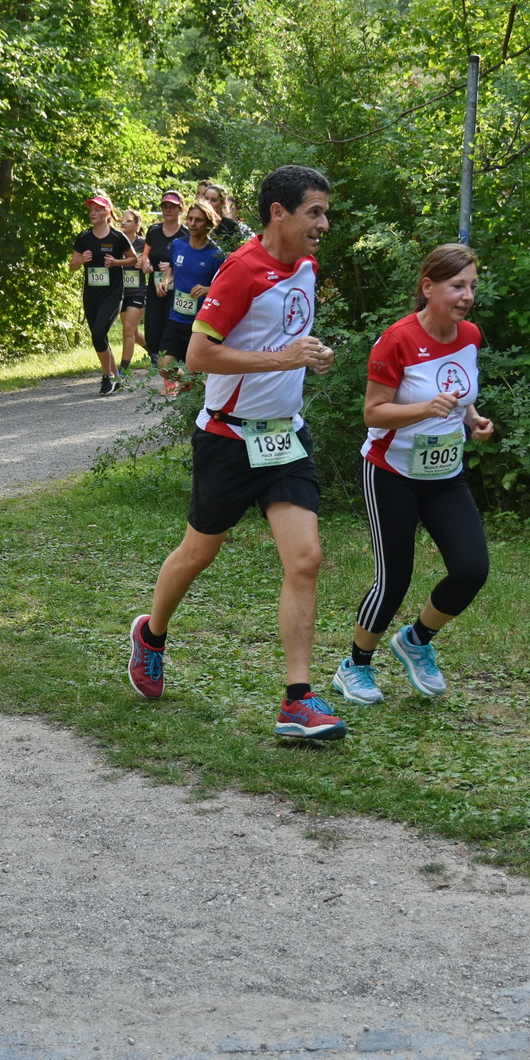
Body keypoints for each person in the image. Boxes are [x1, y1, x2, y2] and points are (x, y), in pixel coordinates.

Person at [126, 165, 345, 740]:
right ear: (280, 213)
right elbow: (198, 356)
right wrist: (286, 359)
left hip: (284, 436)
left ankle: (297, 700)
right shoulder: (243, 270)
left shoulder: (305, 265)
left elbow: (283, 340)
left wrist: (311, 355)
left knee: (306, 559)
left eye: (325, 212)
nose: (324, 223)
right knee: (200, 552)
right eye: (314, 212)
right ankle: (151, 634)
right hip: (228, 438)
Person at [331, 243, 495, 705]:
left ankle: (417, 640)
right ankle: (354, 667)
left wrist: (473, 420)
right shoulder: (397, 339)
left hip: (445, 475)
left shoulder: (470, 336)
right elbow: (373, 413)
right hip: (391, 472)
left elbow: (460, 394)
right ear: (428, 287)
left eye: (472, 287)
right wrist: (425, 409)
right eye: (456, 286)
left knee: (471, 570)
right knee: (395, 576)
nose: (466, 296)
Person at [68, 193, 136, 396]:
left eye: (98, 210)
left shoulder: (117, 237)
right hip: (91, 295)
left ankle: (106, 377)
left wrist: (116, 262)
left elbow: (133, 259)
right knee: (100, 338)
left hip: (113, 294)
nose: (93, 213)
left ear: (107, 212)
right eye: (91, 210)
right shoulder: (84, 237)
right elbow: (72, 266)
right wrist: (80, 260)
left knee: (98, 334)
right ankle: (115, 378)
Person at [157, 198, 224, 396]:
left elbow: (224, 289)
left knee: (194, 366)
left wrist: (207, 289)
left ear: (209, 223)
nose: (193, 224)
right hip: (176, 317)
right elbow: (173, 270)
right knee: (164, 367)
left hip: (200, 323)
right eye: (190, 219)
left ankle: (197, 401)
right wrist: (166, 281)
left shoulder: (216, 254)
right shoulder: (177, 245)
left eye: (198, 220)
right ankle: (197, 386)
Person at [140, 191, 188, 367]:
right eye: (165, 206)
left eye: (172, 207)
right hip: (155, 290)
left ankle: (173, 373)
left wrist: (173, 268)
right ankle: (170, 369)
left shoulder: (186, 234)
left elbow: (192, 261)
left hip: (177, 292)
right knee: (152, 338)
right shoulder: (153, 231)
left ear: (180, 209)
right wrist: (145, 263)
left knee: (172, 334)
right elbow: (145, 254)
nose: (168, 210)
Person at [117, 208, 149, 375]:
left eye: (128, 220)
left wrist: (143, 265)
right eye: (122, 220)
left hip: (138, 292)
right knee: (133, 331)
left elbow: (152, 267)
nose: (123, 222)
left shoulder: (143, 244)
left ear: (137, 225)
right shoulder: (117, 242)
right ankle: (154, 353)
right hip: (121, 292)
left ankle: (123, 370)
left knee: (128, 329)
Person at [204, 182, 254, 254]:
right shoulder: (197, 222)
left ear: (222, 203)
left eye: (213, 200)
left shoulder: (230, 225)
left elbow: (240, 252)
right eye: (206, 199)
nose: (208, 203)